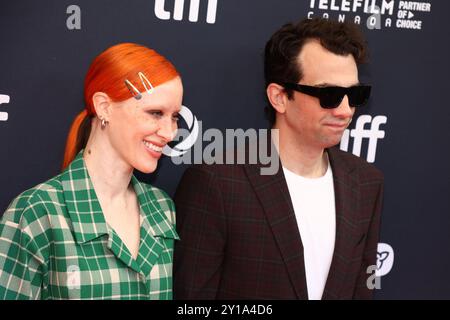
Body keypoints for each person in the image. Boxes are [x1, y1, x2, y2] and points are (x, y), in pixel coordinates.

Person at [173, 18, 384, 300]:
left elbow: (363, 290)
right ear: (280, 97)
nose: (346, 111)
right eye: (330, 95)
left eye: (356, 94)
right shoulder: (217, 183)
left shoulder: (366, 183)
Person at [0, 43, 183, 299]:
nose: (170, 132)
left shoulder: (162, 208)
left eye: (174, 116)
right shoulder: (38, 211)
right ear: (104, 106)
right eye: (155, 113)